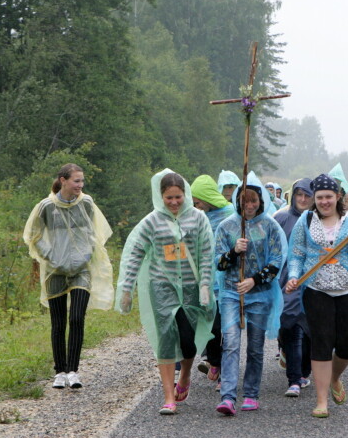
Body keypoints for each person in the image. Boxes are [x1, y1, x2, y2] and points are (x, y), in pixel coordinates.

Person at [117, 169, 216, 415]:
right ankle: (168, 396)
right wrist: (127, 289)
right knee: (165, 337)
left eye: (178, 197)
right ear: (160, 196)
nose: (173, 203)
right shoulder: (151, 221)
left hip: (191, 287)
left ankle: (184, 377)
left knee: (187, 339)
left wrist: (205, 285)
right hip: (162, 286)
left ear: (186, 195)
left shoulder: (198, 218)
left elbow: (205, 253)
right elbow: (135, 255)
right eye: (168, 198)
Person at [286, 174, 348, 418]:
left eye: (328, 196)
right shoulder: (306, 220)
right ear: (313, 199)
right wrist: (294, 276)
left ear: (337, 196)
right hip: (316, 290)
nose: (324, 202)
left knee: (347, 347)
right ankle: (321, 401)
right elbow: (296, 254)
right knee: (321, 342)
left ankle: (335, 378)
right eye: (319, 197)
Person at [23, 163, 114, 389]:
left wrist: (85, 253)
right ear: (63, 180)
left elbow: (95, 233)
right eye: (76, 181)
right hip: (55, 271)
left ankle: (73, 370)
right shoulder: (46, 207)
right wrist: (52, 256)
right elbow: (33, 236)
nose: (80, 185)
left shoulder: (86, 203)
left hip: (81, 270)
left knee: (76, 318)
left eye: (82, 181)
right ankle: (60, 372)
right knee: (58, 323)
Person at [214, 172, 287, 416]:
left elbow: (277, 260)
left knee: (255, 347)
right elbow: (219, 264)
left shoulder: (270, 226)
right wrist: (234, 252)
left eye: (253, 200)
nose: (249, 205)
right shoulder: (227, 227)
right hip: (231, 293)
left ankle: (252, 393)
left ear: (261, 201)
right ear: (237, 202)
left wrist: (254, 280)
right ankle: (227, 396)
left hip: (260, 294)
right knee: (231, 343)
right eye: (244, 201)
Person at [190, 175, 236, 386]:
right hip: (207, 280)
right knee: (212, 327)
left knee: (226, 328)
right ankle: (215, 362)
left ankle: (224, 372)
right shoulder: (200, 217)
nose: (195, 205)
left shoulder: (230, 214)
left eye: (197, 201)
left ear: (206, 198)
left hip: (228, 280)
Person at [273, 178, 314, 396]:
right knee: (291, 327)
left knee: (308, 331)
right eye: (299, 194)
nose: (303, 199)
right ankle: (294, 378)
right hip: (285, 283)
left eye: (307, 195)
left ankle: (303, 372)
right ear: (292, 196)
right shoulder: (280, 217)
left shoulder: (318, 220)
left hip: (313, 285)